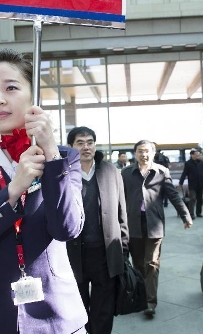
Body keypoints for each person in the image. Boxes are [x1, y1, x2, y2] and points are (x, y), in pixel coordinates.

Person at [0, 49, 87, 334]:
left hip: (56, 315)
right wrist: (12, 191)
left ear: (33, 96)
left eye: (11, 87)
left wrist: (50, 153)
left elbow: (67, 229)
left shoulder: (64, 158)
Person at [66, 126, 129, 334]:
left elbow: (122, 214)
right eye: (80, 143)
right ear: (71, 147)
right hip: (73, 253)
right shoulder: (64, 173)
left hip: (105, 252)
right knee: (77, 305)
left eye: (90, 142)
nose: (86, 147)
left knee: (104, 307)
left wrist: (123, 250)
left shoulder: (111, 171)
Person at [121, 140, 193, 317]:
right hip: (132, 224)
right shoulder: (126, 173)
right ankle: (139, 297)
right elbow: (118, 198)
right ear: (134, 153)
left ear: (153, 153)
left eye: (147, 151)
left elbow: (173, 195)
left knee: (151, 263)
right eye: (140, 151)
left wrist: (185, 215)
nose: (143, 155)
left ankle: (149, 303)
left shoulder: (162, 172)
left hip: (154, 224)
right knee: (138, 264)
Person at [178, 147, 203, 218]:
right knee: (192, 198)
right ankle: (191, 214)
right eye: (196, 154)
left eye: (198, 154)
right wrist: (181, 182)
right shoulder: (188, 164)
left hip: (201, 184)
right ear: (192, 155)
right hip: (192, 184)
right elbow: (184, 173)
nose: (197, 155)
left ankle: (198, 213)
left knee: (200, 199)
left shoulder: (201, 163)